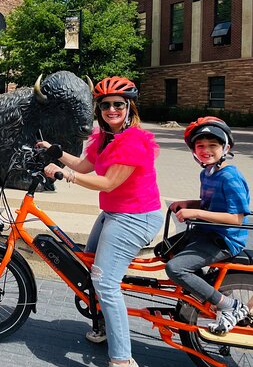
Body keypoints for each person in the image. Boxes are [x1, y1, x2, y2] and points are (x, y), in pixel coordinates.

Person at [39, 76, 163, 367]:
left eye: (118, 104)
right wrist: (55, 152)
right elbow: (85, 165)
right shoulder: (106, 136)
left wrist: (63, 175)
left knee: (105, 281)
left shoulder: (133, 141)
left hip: (136, 217)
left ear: (130, 107)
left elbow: (106, 182)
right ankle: (105, 325)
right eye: (105, 105)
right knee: (89, 262)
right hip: (114, 213)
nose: (111, 110)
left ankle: (122, 359)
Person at [165, 117, 251, 335]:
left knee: (176, 268)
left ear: (226, 147)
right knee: (165, 250)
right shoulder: (207, 173)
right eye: (200, 146)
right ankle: (208, 295)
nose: (206, 150)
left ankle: (230, 306)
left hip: (224, 239)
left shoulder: (230, 177)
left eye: (213, 145)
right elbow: (209, 204)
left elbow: (237, 218)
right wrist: (188, 203)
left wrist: (196, 212)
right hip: (207, 231)